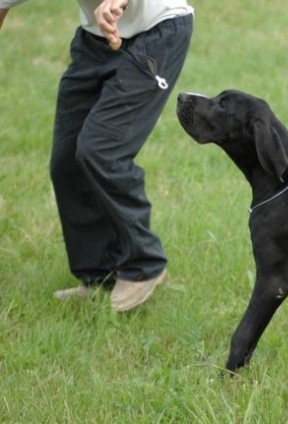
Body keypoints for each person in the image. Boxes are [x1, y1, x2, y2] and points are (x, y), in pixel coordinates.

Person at [0, 0, 194, 311]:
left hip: (156, 33)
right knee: (66, 160)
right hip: (94, 41)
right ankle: (100, 275)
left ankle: (145, 264)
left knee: (102, 149)